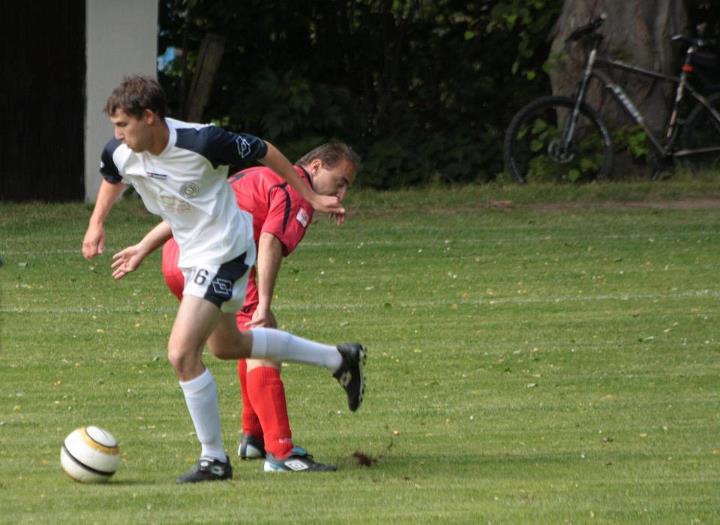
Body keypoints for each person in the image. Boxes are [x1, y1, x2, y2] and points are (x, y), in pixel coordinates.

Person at [81, 75, 366, 483]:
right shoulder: (122, 151)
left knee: (181, 353)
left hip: (223, 251)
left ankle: (214, 459)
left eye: (124, 125)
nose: (118, 135)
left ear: (149, 117)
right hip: (190, 252)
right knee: (228, 346)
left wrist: (312, 196)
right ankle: (338, 358)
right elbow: (112, 176)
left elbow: (265, 150)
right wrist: (98, 225)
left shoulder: (203, 142)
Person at [123, 141, 359, 472]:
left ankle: (254, 438)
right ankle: (281, 452)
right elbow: (269, 242)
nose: (341, 193)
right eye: (341, 182)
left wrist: (145, 246)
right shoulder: (292, 190)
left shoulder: (256, 174)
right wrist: (264, 302)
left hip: (177, 258)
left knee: (236, 341)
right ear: (316, 167)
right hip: (212, 259)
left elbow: (193, 207)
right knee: (263, 333)